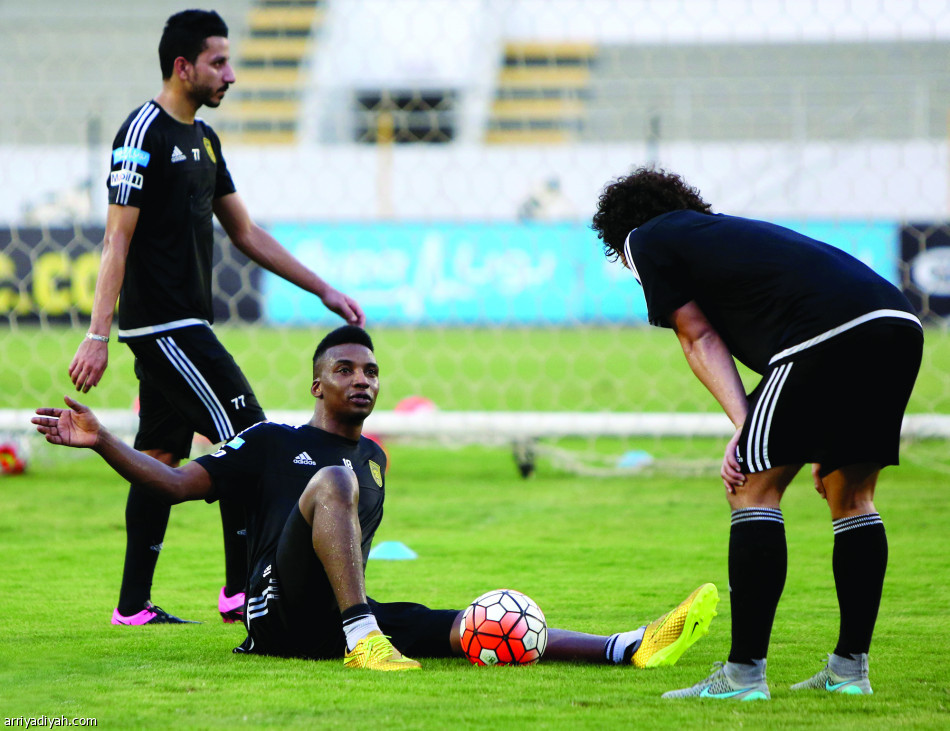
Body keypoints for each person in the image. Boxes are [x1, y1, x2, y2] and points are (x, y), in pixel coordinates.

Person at [37, 325, 719, 671]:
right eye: (344, 369)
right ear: (317, 384)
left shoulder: (375, 458)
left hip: (339, 613)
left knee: (480, 620)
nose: (361, 379)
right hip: (278, 614)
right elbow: (179, 483)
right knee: (333, 484)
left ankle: (626, 646)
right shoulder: (271, 440)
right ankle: (367, 639)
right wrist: (102, 441)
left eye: (370, 371)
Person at [66, 10, 365, 627]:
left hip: (185, 324)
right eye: (219, 62)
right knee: (249, 436)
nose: (231, 74)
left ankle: (132, 607)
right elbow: (115, 241)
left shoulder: (204, 139)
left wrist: (323, 290)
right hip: (162, 327)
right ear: (184, 67)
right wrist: (97, 333)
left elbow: (245, 232)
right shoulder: (142, 132)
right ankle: (242, 592)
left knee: (158, 454)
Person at [591, 168, 924, 700]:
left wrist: (750, 432)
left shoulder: (646, 238)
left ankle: (743, 676)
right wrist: (780, 431)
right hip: (896, 324)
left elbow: (696, 335)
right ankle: (848, 671)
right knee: (852, 493)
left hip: (823, 334)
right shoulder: (724, 238)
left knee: (751, 485)